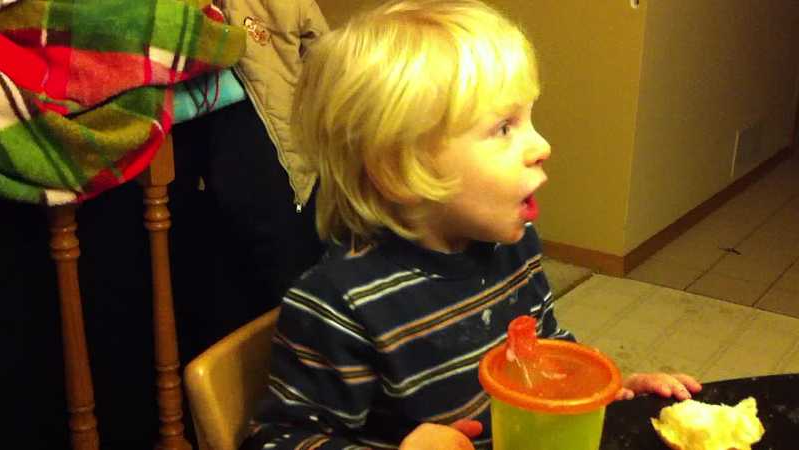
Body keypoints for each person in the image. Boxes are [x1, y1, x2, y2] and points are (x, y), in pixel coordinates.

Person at [241, 1, 702, 449]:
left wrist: (608, 396)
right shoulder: (341, 305)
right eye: (504, 128)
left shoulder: (513, 247)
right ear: (399, 170)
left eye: (529, 119)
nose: (541, 145)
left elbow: (542, 355)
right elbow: (276, 439)